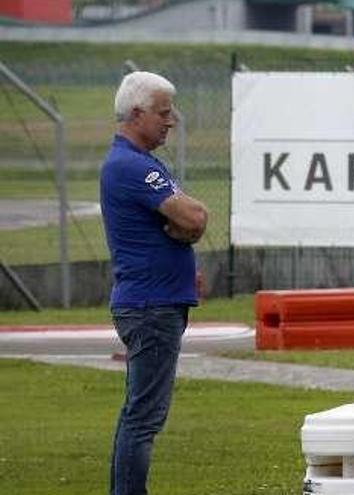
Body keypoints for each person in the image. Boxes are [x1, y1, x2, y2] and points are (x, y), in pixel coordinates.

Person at [100, 71, 208, 495]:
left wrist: (186, 228)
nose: (171, 121)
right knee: (143, 417)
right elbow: (194, 218)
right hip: (151, 305)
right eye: (163, 113)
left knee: (140, 414)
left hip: (154, 303)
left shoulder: (144, 163)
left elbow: (189, 222)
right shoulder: (131, 166)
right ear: (137, 114)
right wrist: (186, 226)